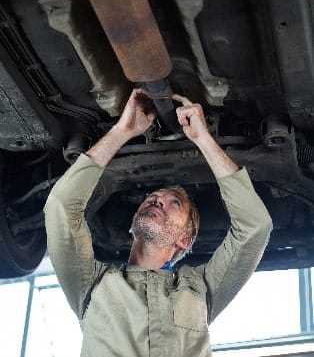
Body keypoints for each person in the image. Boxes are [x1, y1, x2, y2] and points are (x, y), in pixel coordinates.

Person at [44, 89, 273, 357]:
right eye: (152, 198)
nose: (156, 200)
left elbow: (255, 227)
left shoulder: (202, 289)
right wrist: (122, 131)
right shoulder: (89, 283)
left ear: (184, 240)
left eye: (174, 202)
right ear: (132, 225)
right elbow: (61, 207)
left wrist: (204, 139)